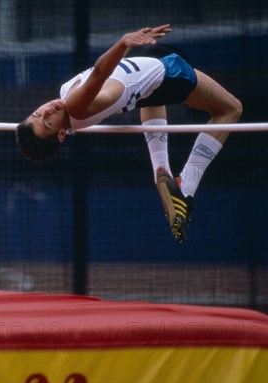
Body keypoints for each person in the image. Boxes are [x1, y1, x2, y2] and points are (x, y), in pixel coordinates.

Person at [16, 25, 242, 243]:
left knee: (149, 95)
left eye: (38, 113)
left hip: (149, 64)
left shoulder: (66, 103)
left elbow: (109, 75)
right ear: (61, 134)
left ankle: (161, 170)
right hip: (169, 71)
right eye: (48, 122)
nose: (47, 111)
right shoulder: (74, 106)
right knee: (231, 109)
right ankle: (187, 185)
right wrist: (123, 42)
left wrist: (128, 47)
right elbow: (99, 72)